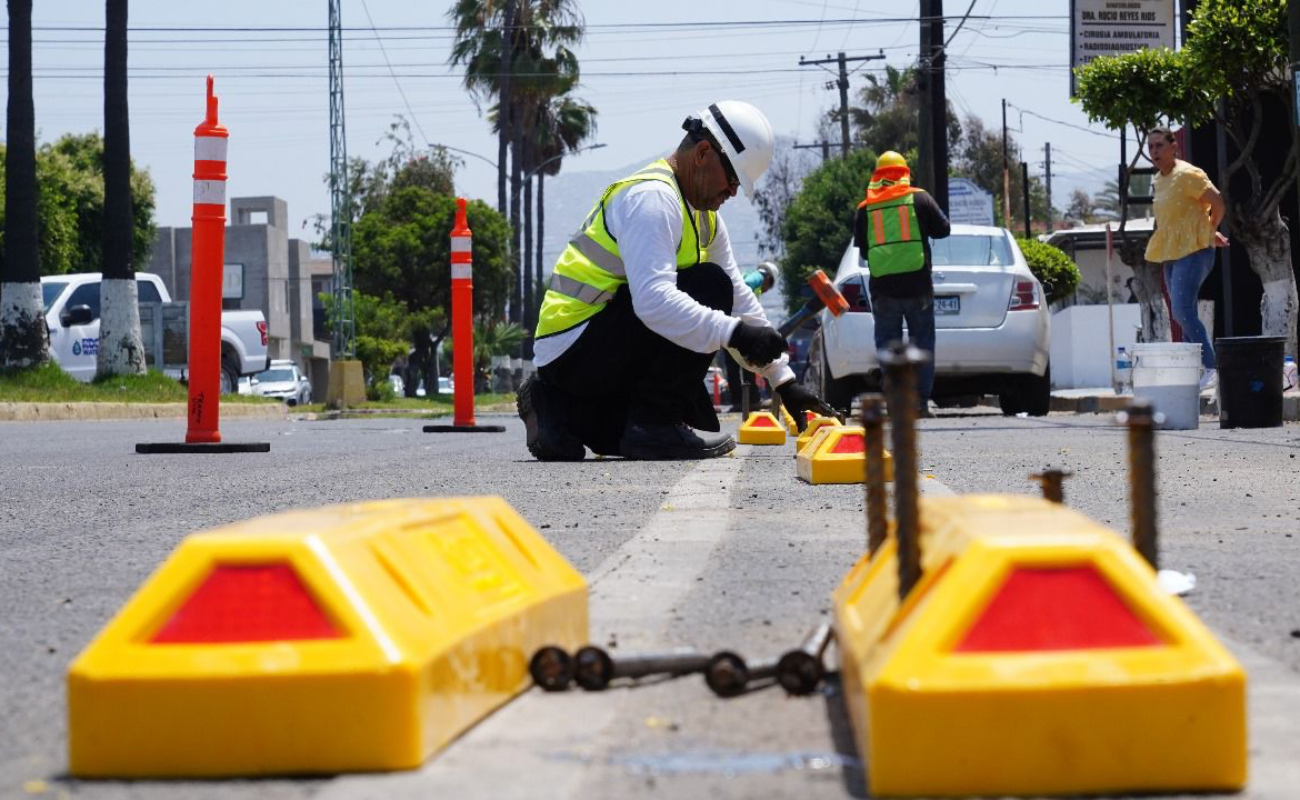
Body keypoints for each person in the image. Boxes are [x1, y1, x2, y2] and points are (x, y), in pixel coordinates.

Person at [519, 101, 836, 461]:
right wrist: (734, 333)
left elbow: (740, 297)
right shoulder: (652, 199)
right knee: (708, 285)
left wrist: (785, 382)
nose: (733, 193)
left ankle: (555, 409)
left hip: (590, 355)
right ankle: (653, 425)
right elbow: (654, 301)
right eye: (733, 179)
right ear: (703, 153)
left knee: (617, 438)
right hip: (574, 348)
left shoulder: (704, 218)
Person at [853, 151, 951, 413]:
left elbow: (863, 251)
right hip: (918, 287)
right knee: (922, 346)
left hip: (883, 290)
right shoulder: (920, 198)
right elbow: (944, 229)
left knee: (888, 348)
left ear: (877, 176)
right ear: (905, 173)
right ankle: (919, 403)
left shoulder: (865, 209)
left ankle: (896, 402)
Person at [1144, 126, 1228, 391]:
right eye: (1151, 147)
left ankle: (1212, 367)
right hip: (1171, 252)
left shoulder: (1189, 174)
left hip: (1195, 251)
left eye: (1159, 145)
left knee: (1182, 309)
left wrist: (1210, 230)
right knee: (1180, 313)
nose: (1154, 151)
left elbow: (1218, 203)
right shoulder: (1158, 179)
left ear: (1173, 147)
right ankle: (1206, 366)